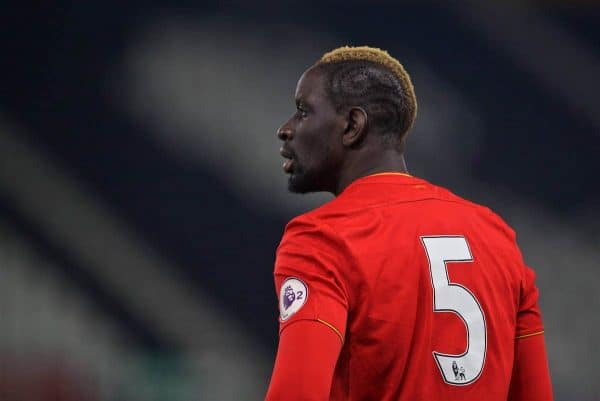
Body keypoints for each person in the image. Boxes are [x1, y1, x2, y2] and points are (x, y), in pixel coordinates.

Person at [265, 46, 553, 401]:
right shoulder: (496, 236)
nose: (285, 129)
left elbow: (297, 394)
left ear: (352, 126)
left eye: (303, 111)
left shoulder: (322, 239)